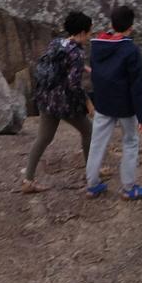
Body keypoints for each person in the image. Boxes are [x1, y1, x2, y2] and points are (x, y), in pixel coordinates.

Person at [21, 11, 95, 193]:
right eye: (90, 32)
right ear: (83, 32)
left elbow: (58, 65)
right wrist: (88, 103)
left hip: (46, 98)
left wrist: (82, 68)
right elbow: (73, 85)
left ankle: (28, 180)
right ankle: (91, 172)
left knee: (44, 138)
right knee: (89, 132)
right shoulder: (76, 54)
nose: (91, 35)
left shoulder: (58, 42)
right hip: (64, 103)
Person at [84, 5, 142, 200]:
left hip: (103, 103)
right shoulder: (131, 50)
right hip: (125, 106)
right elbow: (137, 86)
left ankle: (92, 184)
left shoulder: (97, 45)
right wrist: (141, 116)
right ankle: (129, 188)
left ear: (111, 24)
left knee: (97, 143)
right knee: (130, 142)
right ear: (131, 27)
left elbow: (95, 75)